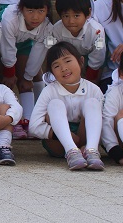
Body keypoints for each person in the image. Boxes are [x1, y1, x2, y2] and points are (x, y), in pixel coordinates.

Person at [28, 42, 105, 171]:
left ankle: (92, 151)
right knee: (55, 104)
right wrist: (56, 134)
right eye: (56, 66)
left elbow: (104, 123)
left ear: (81, 61)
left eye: (68, 61)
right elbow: (33, 126)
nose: (64, 68)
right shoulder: (49, 91)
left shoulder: (93, 90)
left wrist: (92, 144)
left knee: (92, 103)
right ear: (52, 72)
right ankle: (71, 151)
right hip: (57, 143)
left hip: (84, 139)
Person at [0, 0, 54, 138]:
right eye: (30, 11)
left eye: (41, 11)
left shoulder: (48, 26)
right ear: (21, 8)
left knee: (28, 78)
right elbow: (7, 48)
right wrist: (9, 72)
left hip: (24, 42)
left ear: (47, 10)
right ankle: (11, 119)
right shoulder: (9, 18)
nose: (35, 17)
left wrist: (28, 77)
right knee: (5, 80)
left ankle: (30, 121)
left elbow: (39, 51)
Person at [39, 0, 106, 82]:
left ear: (88, 13)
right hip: (64, 63)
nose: (71, 21)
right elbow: (50, 49)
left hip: (90, 64)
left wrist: (88, 81)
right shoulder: (56, 29)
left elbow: (98, 57)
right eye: (66, 16)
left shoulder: (96, 31)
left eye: (76, 16)